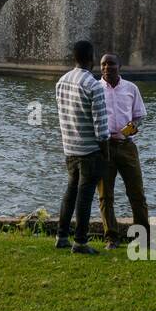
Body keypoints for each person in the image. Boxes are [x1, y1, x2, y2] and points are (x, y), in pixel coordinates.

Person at [54, 40, 109, 255]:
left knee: (70, 191)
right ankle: (80, 242)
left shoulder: (62, 81)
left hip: (70, 148)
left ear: (74, 57)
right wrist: (105, 153)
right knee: (85, 196)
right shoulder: (93, 85)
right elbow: (101, 127)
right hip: (89, 151)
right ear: (91, 58)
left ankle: (61, 236)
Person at [98, 53, 151, 250]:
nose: (107, 68)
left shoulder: (131, 89)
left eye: (111, 64)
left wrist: (125, 132)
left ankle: (143, 237)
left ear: (120, 66)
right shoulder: (95, 89)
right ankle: (111, 238)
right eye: (103, 64)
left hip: (127, 147)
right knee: (105, 196)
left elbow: (139, 116)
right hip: (103, 148)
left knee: (137, 193)